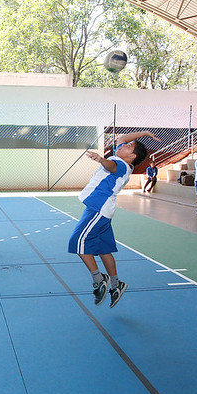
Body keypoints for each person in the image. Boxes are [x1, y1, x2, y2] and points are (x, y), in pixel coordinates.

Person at [69, 131, 159, 306]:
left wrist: (101, 159)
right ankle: (116, 285)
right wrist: (146, 133)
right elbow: (123, 138)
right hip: (104, 210)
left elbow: (111, 167)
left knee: (78, 243)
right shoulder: (123, 158)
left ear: (132, 156)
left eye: (129, 147)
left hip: (98, 209)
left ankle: (99, 278)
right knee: (103, 249)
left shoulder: (122, 165)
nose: (124, 145)